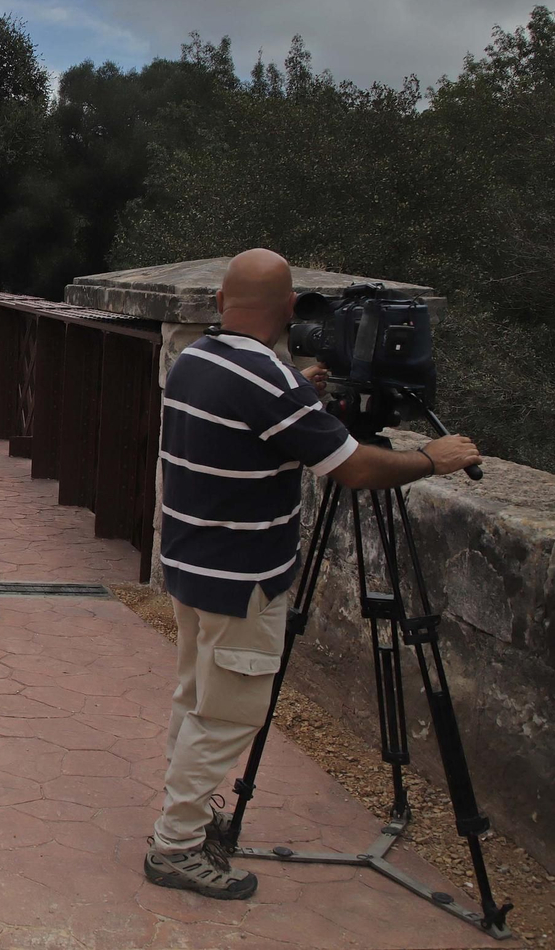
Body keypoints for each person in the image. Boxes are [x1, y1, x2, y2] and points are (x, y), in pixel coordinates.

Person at [146, 248, 482, 901]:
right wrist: (431, 460)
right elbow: (353, 469)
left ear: (221, 303)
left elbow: (252, 410)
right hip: (242, 579)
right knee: (226, 716)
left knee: (196, 701)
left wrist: (300, 385)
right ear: (291, 311)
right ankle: (176, 846)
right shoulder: (271, 384)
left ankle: (186, 815)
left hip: (192, 567)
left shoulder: (198, 360)